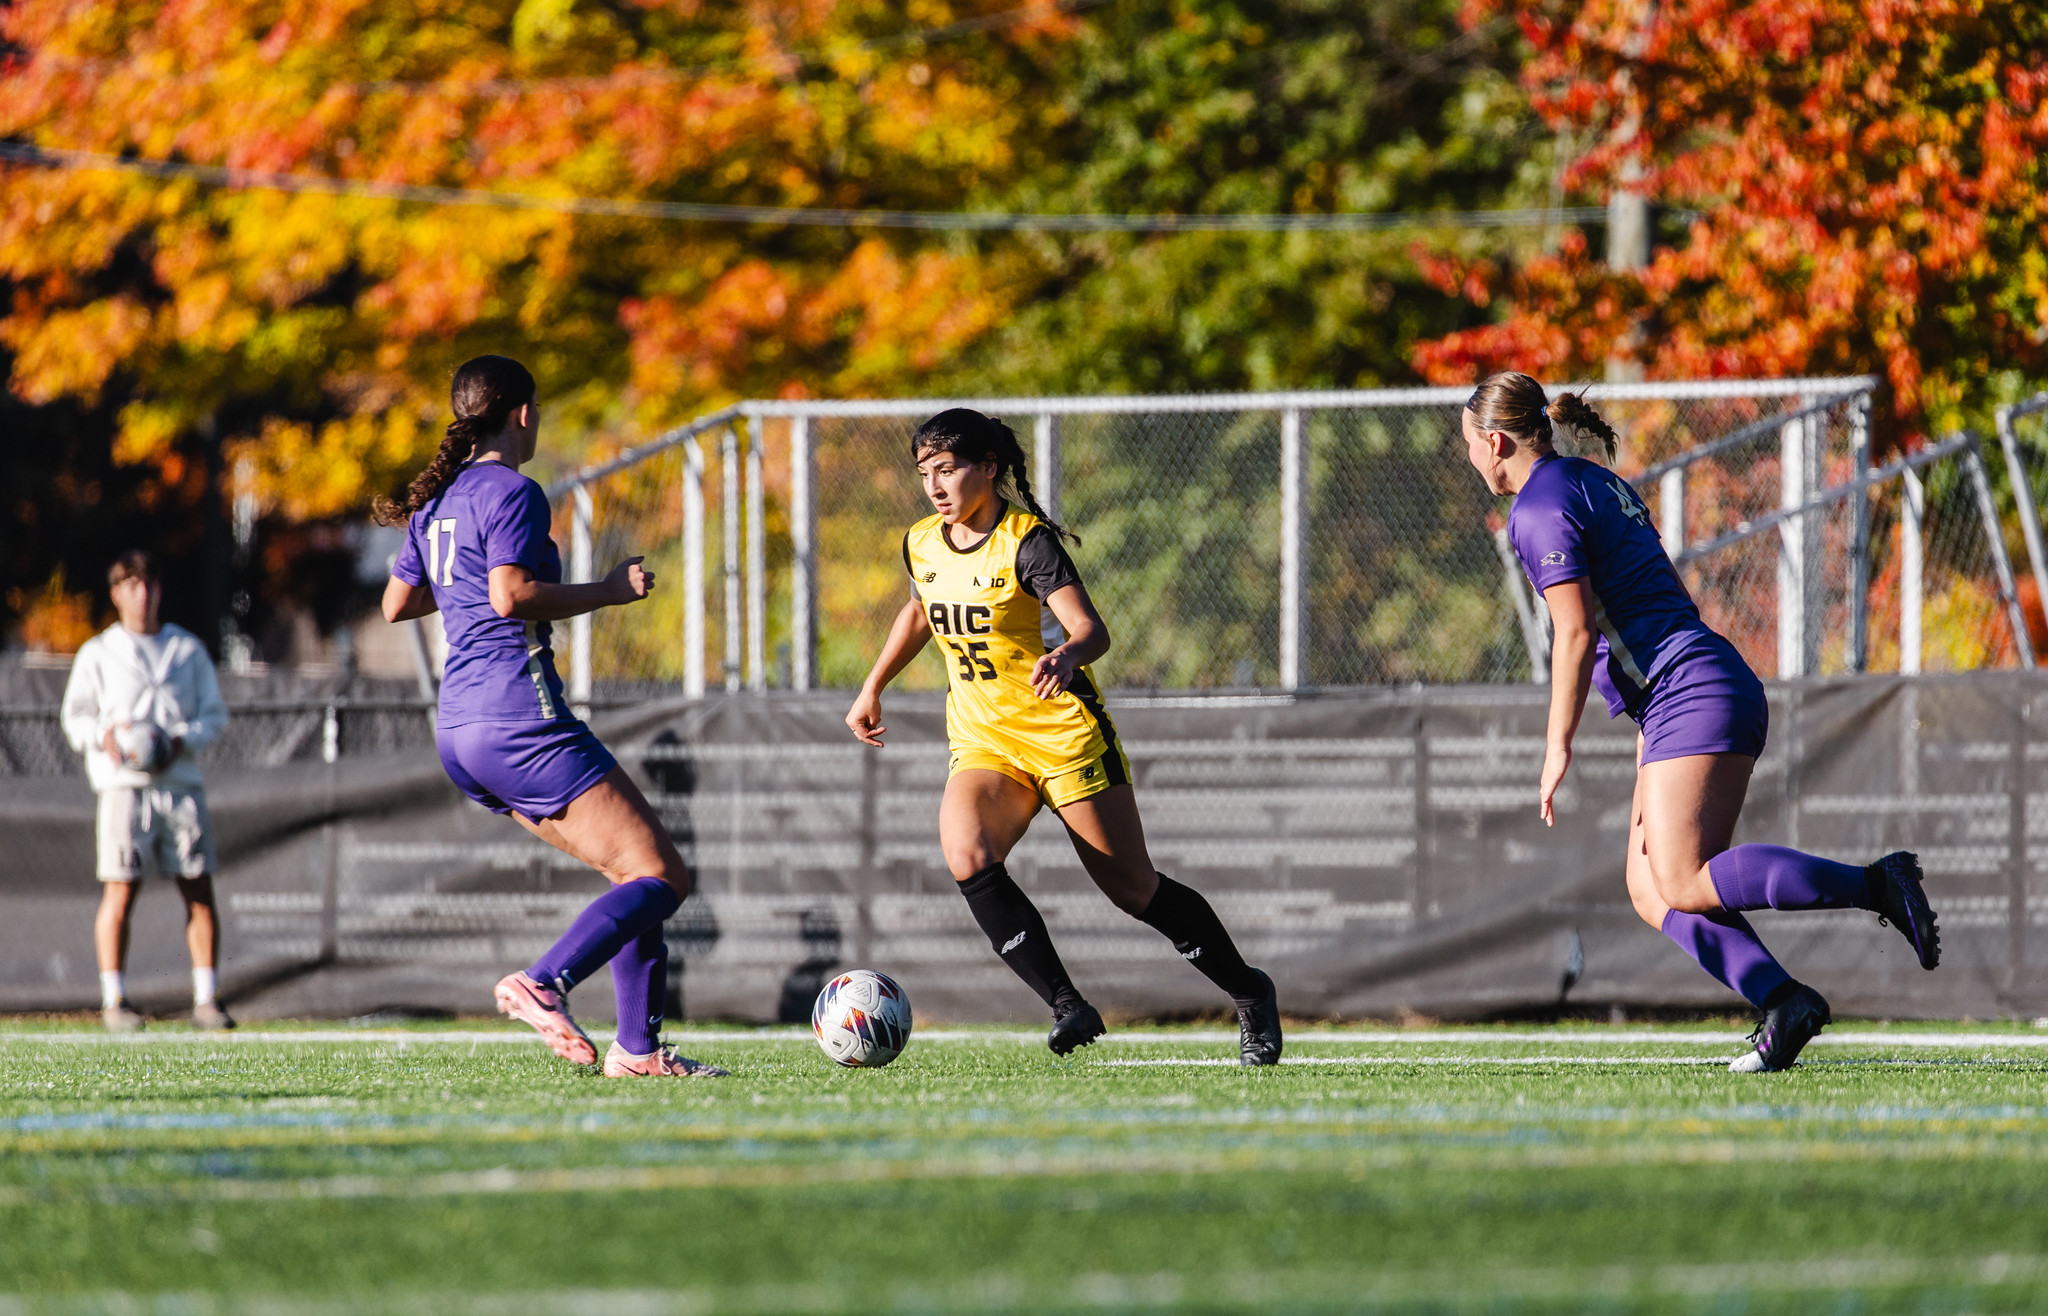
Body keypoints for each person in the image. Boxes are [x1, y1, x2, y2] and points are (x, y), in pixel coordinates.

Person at [1463, 372, 1941, 1072]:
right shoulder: (1590, 480)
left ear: (1495, 441)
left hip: (1689, 688)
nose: (1471, 460)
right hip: (1688, 689)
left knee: (1683, 879)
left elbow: (1571, 635)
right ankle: (1784, 1003)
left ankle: (1879, 884)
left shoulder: (1537, 507)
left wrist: (1554, 747)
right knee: (1652, 889)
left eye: (1470, 447)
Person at [845, 408, 1283, 1064]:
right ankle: (1066, 1004)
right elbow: (919, 610)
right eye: (925, 472)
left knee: (1134, 890)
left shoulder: (1028, 542)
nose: (935, 485)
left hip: (1064, 736)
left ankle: (1249, 992)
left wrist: (1069, 656)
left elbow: (1092, 630)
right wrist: (873, 683)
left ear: (989, 469)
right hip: (986, 740)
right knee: (965, 851)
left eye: (949, 468)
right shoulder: (921, 542)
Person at [377, 354, 724, 1079]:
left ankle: (638, 1051)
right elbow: (510, 596)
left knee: (631, 875)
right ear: (523, 414)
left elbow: (397, 604)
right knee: (663, 876)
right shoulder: (515, 490)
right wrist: (609, 590)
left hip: (459, 731)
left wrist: (465, 583)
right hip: (518, 717)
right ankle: (546, 982)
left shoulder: (438, 500)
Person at [60, 550, 234, 1032]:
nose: (144, 593)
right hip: (124, 788)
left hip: (180, 785)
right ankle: (114, 1000)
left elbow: (214, 717)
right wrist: (106, 737)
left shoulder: (186, 650)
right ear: (116, 593)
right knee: (120, 889)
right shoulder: (100, 652)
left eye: (150, 583)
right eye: (132, 584)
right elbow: (76, 718)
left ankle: (206, 998)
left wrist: (181, 739)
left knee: (198, 888)